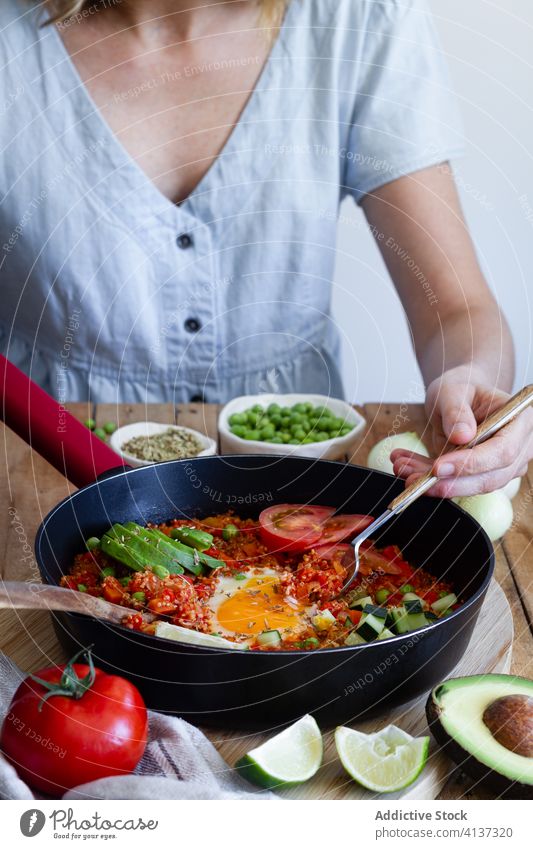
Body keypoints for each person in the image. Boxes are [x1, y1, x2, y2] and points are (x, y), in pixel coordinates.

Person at [0, 0, 529, 495]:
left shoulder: (356, 16)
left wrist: (470, 382)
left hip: (308, 477)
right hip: (35, 469)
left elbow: (458, 309)